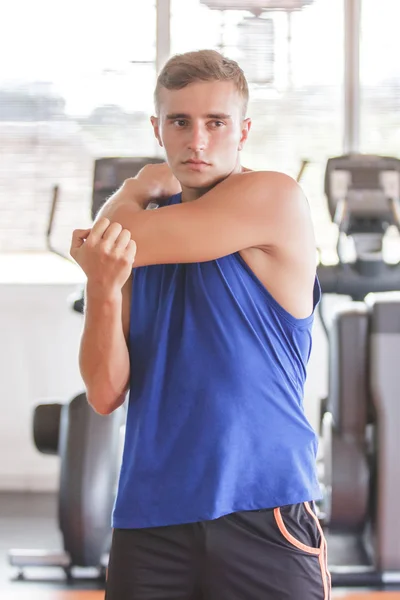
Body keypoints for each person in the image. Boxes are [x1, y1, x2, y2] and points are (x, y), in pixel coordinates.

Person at [70, 49, 330, 600]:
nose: (198, 141)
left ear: (244, 130)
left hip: (264, 513)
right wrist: (102, 286)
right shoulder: (140, 248)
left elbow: (108, 240)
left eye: (216, 123)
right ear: (157, 128)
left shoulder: (273, 197)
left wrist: (137, 184)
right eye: (180, 122)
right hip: (150, 516)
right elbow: (103, 391)